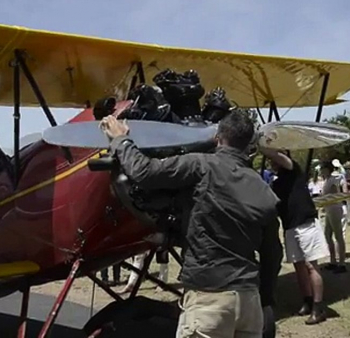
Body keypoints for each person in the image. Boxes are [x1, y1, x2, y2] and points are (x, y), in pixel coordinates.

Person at [100, 110, 280, 337]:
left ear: (217, 138)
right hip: (249, 302)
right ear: (248, 145)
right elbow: (273, 253)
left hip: (210, 298)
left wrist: (120, 139)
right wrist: (265, 301)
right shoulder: (264, 190)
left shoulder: (201, 166)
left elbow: (144, 172)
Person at [261, 146, 329, 325]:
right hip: (290, 226)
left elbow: (281, 158)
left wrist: (261, 146)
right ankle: (307, 300)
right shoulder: (276, 183)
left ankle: (318, 306)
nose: (272, 162)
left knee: (311, 265)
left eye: (274, 159)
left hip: (305, 223)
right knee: (298, 266)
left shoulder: (294, 170)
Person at [320, 161, 348, 273]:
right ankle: (333, 260)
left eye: (323, 169)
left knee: (338, 235)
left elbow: (336, 193)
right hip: (328, 209)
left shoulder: (333, 179)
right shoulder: (326, 180)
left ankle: (342, 263)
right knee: (327, 235)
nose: (321, 171)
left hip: (335, 208)